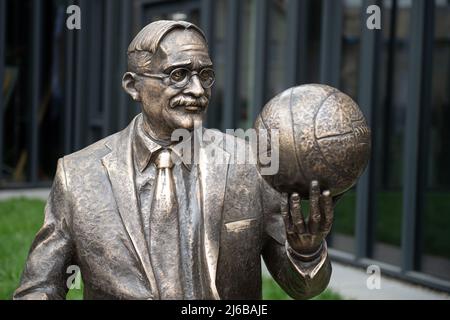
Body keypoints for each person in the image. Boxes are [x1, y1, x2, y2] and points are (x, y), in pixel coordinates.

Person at [14, 20, 334, 300]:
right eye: (178, 74)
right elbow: (40, 286)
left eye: (205, 75)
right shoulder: (79, 175)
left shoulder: (252, 165)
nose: (197, 89)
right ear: (133, 85)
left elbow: (301, 288)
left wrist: (307, 252)